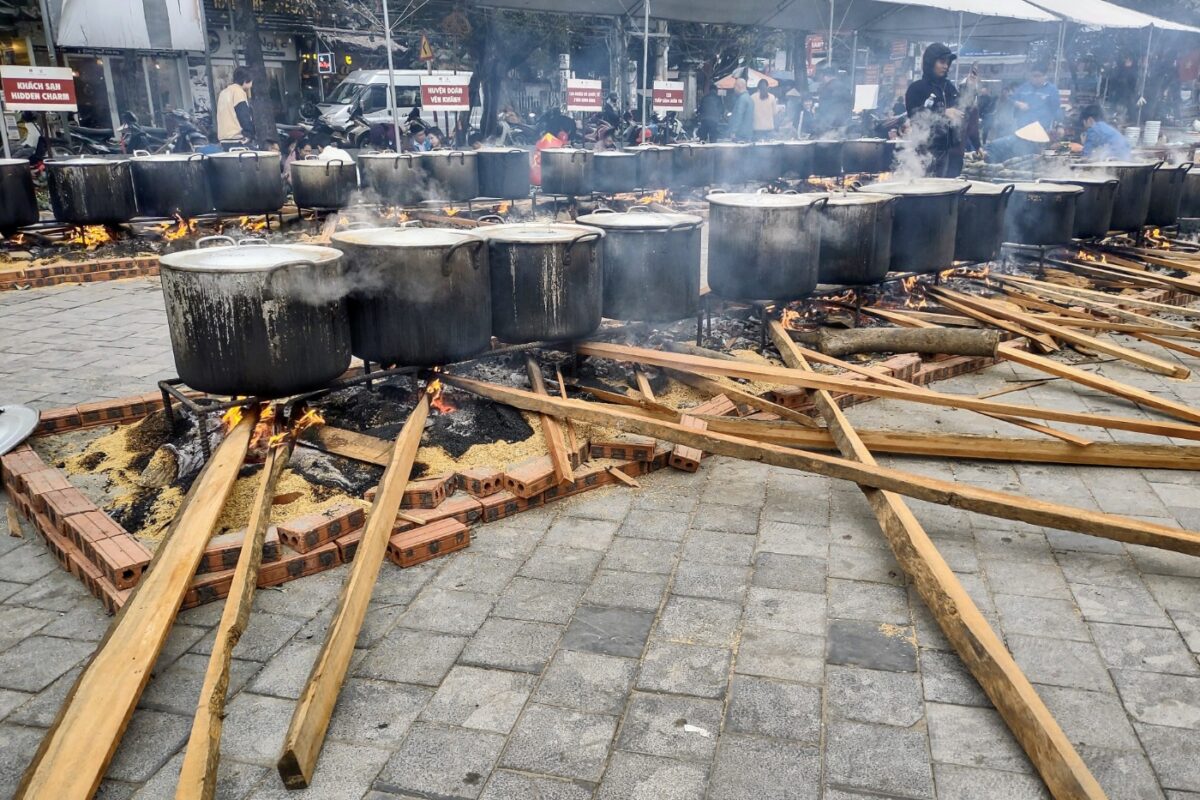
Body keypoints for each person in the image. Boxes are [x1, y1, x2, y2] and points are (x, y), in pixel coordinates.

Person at [905, 42, 963, 177]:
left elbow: (962, 108)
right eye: (942, 62)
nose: (946, 66)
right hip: (925, 152)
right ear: (930, 62)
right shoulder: (916, 88)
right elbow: (915, 115)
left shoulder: (949, 87)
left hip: (950, 153)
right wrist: (943, 113)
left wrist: (970, 88)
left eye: (948, 62)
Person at [216, 66, 256, 149]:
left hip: (224, 138)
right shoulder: (238, 92)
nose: (252, 85)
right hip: (237, 138)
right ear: (246, 81)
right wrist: (249, 134)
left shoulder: (223, 92)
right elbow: (243, 115)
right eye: (251, 81)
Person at [1012, 66, 1061, 132]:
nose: (1035, 78)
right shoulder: (1023, 87)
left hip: (1042, 129)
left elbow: (1056, 109)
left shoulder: (1052, 89)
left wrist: (1059, 125)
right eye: (1033, 76)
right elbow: (1011, 100)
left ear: (1045, 76)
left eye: (1038, 76)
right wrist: (1018, 103)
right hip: (1022, 128)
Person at [815, 69, 853, 133]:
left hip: (831, 122)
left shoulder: (827, 88)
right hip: (844, 120)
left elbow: (823, 106)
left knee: (829, 136)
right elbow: (850, 101)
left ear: (825, 77)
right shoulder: (843, 86)